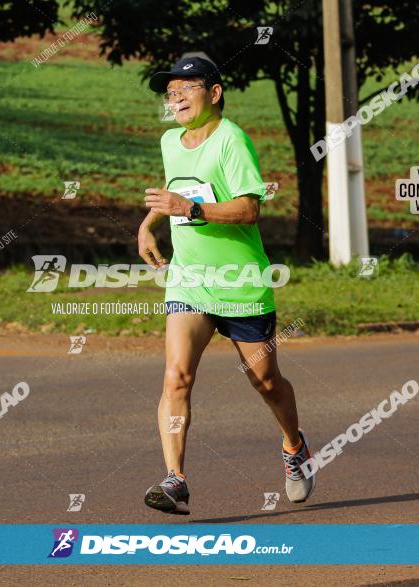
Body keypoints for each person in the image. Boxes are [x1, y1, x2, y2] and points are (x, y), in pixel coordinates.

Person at [138, 56, 314, 515]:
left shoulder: (232, 140)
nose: (174, 96)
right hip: (190, 280)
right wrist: (149, 222)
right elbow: (181, 185)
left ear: (213, 93)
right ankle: (175, 480)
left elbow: (249, 208)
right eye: (169, 89)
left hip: (240, 283)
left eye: (185, 87)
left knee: (267, 382)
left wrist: (189, 210)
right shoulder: (170, 140)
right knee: (176, 376)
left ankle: (294, 446)